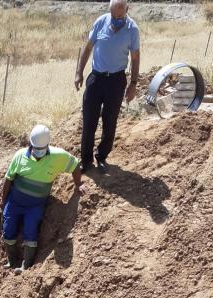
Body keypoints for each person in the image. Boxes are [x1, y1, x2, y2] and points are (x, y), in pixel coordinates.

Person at [1, 124, 83, 275]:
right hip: (14, 203)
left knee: (30, 232)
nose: (39, 151)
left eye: (42, 148)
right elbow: (8, 179)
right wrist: (3, 201)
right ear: (30, 144)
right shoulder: (20, 156)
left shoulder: (58, 156)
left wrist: (78, 185)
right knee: (8, 230)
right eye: (36, 148)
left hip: (35, 206)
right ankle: (11, 261)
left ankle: (26, 266)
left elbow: (75, 164)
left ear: (48, 145)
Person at [75, 0, 140, 172]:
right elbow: (88, 48)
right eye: (113, 15)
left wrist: (133, 84)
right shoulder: (101, 22)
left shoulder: (132, 30)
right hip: (96, 79)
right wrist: (79, 72)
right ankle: (86, 160)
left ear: (127, 9)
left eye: (120, 15)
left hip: (116, 81)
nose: (116, 18)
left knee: (110, 121)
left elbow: (135, 58)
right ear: (109, 10)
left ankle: (102, 157)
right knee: (89, 120)